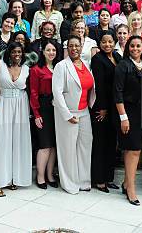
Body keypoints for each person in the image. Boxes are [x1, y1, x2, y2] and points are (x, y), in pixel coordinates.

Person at [52, 35, 96, 194]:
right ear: (67, 48)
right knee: (68, 149)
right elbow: (56, 93)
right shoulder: (61, 66)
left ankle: (83, 181)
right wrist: (67, 114)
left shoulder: (86, 64)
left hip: (84, 111)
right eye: (71, 46)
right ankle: (69, 183)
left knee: (85, 145)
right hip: (68, 113)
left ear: (81, 46)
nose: (74, 49)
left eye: (77, 45)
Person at [0, 42, 32, 191]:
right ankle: (1, 179)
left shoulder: (26, 68)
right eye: (14, 52)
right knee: (2, 139)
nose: (17, 55)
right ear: (8, 53)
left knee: (19, 140)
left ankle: (16, 178)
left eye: (19, 52)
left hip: (21, 105)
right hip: (4, 103)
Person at [115, 35, 142, 205]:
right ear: (128, 47)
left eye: (138, 46)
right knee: (132, 149)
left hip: (141, 112)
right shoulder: (123, 66)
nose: (135, 49)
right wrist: (123, 117)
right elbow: (118, 93)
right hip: (127, 112)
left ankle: (127, 183)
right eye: (132, 46)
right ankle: (131, 189)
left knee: (135, 149)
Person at [90, 32, 122, 192]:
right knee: (100, 144)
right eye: (104, 42)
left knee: (111, 144)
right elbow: (99, 85)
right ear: (99, 43)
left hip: (114, 106)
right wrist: (102, 108)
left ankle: (109, 178)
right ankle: (99, 179)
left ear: (114, 42)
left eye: (110, 41)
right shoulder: (97, 59)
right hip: (101, 107)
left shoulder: (117, 56)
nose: (107, 44)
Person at [30, 41, 61, 190]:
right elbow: (34, 93)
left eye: (54, 50)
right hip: (43, 107)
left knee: (54, 145)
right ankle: (40, 176)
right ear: (43, 52)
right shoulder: (36, 69)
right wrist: (36, 113)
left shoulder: (59, 68)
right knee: (44, 145)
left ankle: (49, 175)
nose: (51, 52)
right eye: (48, 50)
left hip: (58, 107)